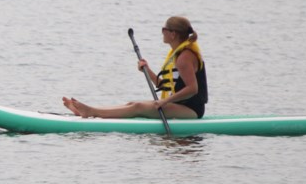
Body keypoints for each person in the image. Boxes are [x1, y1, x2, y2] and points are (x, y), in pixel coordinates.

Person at [62, 16, 209, 120]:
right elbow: (164, 86)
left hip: (192, 110)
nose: (162, 31)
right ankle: (90, 110)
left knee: (138, 107)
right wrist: (147, 70)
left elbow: (192, 89)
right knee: (132, 104)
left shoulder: (185, 57)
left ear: (173, 34)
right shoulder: (178, 54)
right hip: (179, 104)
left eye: (164, 28)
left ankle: (91, 112)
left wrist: (164, 102)